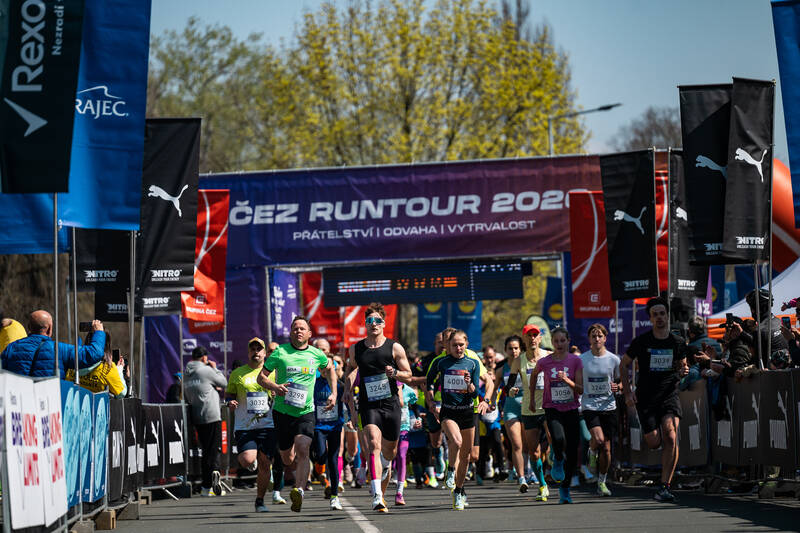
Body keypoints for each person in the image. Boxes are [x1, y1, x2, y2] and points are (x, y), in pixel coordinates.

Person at [258, 316, 336, 513]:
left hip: (305, 411)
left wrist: (334, 393)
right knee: (287, 457)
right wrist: (275, 387)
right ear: (291, 332)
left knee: (303, 449)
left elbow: (330, 370)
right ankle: (291, 468)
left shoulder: (317, 354)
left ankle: (299, 490)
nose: (298, 331)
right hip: (282, 412)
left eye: (302, 328)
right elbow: (261, 378)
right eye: (295, 328)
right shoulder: (280, 352)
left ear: (309, 333)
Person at [343, 302, 413, 513]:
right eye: (370, 320)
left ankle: (385, 464)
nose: (374, 324)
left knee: (389, 453)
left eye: (378, 320)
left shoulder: (394, 347)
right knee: (373, 443)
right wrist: (347, 389)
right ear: (365, 324)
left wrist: (395, 373)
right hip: (369, 404)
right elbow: (351, 369)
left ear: (384, 323)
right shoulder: (356, 348)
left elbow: (409, 375)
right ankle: (377, 496)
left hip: (391, 405)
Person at [620, 296, 689, 502]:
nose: (659, 317)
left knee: (671, 436)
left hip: (669, 395)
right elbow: (623, 364)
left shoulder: (677, 342)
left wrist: (683, 371)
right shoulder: (642, 341)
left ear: (667, 316)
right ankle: (663, 477)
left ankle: (665, 486)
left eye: (662, 313)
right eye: (655, 314)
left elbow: (683, 366)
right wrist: (627, 392)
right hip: (646, 398)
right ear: (650, 318)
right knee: (654, 442)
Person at [426, 329, 491, 511]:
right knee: (456, 441)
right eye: (454, 345)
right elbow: (429, 381)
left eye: (461, 344)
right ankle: (450, 469)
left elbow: (475, 394)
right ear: (448, 345)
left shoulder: (472, 363)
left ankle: (459, 491)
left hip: (467, 412)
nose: (458, 348)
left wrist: (470, 385)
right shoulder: (440, 362)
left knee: (466, 456)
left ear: (466, 344)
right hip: (448, 412)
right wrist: (431, 401)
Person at [225, 338, 285, 511]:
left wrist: (277, 392)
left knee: (265, 464)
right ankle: (253, 463)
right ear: (248, 352)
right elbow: (230, 394)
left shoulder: (274, 373)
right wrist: (230, 402)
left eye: (259, 349)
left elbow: (283, 392)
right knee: (247, 460)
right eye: (253, 349)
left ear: (265, 353)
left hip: (268, 425)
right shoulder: (238, 373)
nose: (256, 352)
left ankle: (260, 500)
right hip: (245, 426)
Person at [529, 326, 583, 504]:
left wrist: (567, 380)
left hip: (571, 409)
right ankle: (558, 458)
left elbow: (581, 389)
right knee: (558, 439)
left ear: (568, 341)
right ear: (552, 342)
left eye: (562, 340)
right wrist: (531, 399)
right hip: (552, 408)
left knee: (573, 451)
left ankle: (565, 489)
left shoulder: (575, 361)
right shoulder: (545, 362)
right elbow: (533, 375)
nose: (559, 344)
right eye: (556, 341)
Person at [502, 325, 551, 499]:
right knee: (533, 452)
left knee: (554, 440)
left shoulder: (548, 356)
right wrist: (511, 390)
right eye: (529, 335)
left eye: (535, 335)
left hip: (548, 407)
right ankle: (542, 485)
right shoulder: (519, 361)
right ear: (524, 339)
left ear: (540, 338)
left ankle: (556, 462)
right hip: (529, 409)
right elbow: (508, 386)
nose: (532, 338)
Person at [579, 324, 620, 497]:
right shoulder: (582, 359)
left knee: (607, 449)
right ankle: (592, 451)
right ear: (589, 339)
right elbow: (578, 383)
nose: (597, 339)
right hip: (590, 406)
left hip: (609, 406)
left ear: (605, 338)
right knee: (599, 439)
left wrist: (618, 386)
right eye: (593, 336)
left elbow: (620, 381)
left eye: (600, 336)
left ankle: (602, 482)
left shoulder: (614, 359)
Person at [1, 310, 105, 378]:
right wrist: (99, 332)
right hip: (48, 403)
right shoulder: (59, 350)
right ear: (50, 328)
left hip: (18, 402)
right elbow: (94, 353)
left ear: (29, 327)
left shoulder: (12, 347)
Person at [184, 345, 228, 497]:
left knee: (206, 452)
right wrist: (214, 368)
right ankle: (213, 481)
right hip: (212, 415)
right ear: (204, 358)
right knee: (213, 451)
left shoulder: (186, 374)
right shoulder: (206, 370)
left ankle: (205, 487)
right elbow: (224, 382)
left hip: (197, 416)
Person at [312, 349, 346, 510]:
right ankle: (319, 468)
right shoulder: (314, 383)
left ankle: (334, 496)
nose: (326, 369)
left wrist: (350, 419)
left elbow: (347, 403)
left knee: (333, 460)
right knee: (321, 455)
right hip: (319, 426)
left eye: (329, 366)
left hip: (335, 426)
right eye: (323, 366)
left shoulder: (339, 386)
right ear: (319, 368)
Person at [65, 331, 126, 398]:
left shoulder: (72, 361)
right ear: (107, 346)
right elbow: (121, 393)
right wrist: (119, 370)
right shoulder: (108, 368)